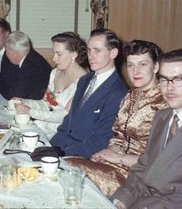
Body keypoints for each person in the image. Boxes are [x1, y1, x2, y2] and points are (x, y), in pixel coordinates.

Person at [67, 40, 168, 196]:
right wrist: (106, 153)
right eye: (130, 65)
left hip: (140, 175)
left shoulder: (164, 103)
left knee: (70, 172)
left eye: (142, 64)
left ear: (155, 67)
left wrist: (118, 157)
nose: (135, 71)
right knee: (65, 166)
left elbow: (160, 158)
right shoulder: (130, 96)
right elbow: (118, 136)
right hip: (115, 164)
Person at [111, 49, 182, 209]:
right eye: (164, 79)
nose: (169, 87)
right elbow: (143, 166)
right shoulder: (162, 117)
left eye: (179, 79)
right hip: (140, 198)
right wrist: (121, 199)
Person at [50, 28, 128, 158]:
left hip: (83, 158)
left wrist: (61, 155)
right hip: (63, 150)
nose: (91, 56)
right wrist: (51, 147)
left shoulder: (118, 92)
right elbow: (68, 123)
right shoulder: (85, 80)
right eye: (89, 50)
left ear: (113, 53)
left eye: (97, 51)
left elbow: (100, 141)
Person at [12, 32, 89, 139]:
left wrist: (30, 111)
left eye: (59, 54)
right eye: (54, 53)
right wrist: (24, 101)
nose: (54, 59)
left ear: (73, 54)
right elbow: (46, 104)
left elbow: (64, 116)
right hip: (44, 124)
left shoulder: (84, 81)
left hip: (62, 132)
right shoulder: (55, 73)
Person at [4, 31, 52, 100]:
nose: (6, 54)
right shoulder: (27, 58)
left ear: (14, 53)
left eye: (6, 51)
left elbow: (14, 94)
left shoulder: (33, 66)